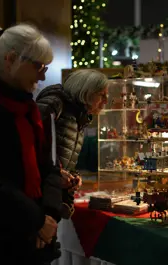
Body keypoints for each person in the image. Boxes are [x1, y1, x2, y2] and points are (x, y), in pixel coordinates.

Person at [0, 24, 62, 265]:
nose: (42, 76)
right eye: (38, 66)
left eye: (45, 67)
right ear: (10, 60)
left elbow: (48, 166)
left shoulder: (28, 108)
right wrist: (37, 220)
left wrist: (49, 217)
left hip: (32, 241)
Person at [36, 69, 108, 215]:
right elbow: (33, 149)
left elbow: (63, 157)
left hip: (51, 195)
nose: (106, 101)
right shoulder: (55, 104)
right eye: (102, 95)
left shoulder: (78, 116)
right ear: (87, 92)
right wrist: (56, 175)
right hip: (37, 198)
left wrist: (72, 176)